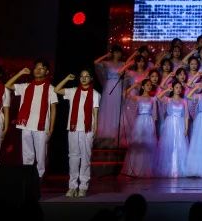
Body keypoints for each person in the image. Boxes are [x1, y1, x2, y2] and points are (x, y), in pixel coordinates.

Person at [8, 61, 58, 179]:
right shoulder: (26, 86)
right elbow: (8, 85)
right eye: (36, 68)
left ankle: (39, 179)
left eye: (42, 68)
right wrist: (20, 73)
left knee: (41, 156)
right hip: (26, 125)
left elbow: (53, 109)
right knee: (27, 155)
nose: (38, 70)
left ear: (47, 71)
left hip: (42, 126)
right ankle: (27, 178)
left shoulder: (51, 88)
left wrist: (51, 128)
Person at [56, 68, 101, 196]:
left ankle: (83, 186)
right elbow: (57, 89)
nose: (84, 78)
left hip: (87, 129)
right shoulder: (73, 91)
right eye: (82, 76)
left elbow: (95, 113)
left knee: (86, 158)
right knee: (73, 157)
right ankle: (72, 186)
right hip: (73, 128)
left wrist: (95, 128)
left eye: (87, 76)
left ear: (91, 78)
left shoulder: (95, 94)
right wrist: (66, 79)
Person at [94, 45, 129, 146]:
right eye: (116, 52)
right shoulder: (107, 63)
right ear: (112, 53)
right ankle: (105, 134)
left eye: (119, 52)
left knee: (117, 108)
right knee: (107, 108)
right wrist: (106, 55)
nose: (118, 54)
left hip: (118, 86)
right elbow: (95, 62)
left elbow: (126, 77)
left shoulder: (123, 64)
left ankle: (115, 134)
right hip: (109, 86)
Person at [154, 80, 190, 178]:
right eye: (176, 87)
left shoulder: (184, 101)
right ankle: (170, 169)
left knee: (180, 146)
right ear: (173, 88)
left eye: (180, 88)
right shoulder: (168, 100)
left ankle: (180, 169)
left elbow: (186, 116)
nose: (178, 89)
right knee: (169, 146)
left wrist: (186, 128)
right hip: (170, 124)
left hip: (180, 124)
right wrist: (166, 91)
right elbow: (158, 97)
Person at [122, 78, 157, 177]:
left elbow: (154, 115)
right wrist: (134, 85)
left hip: (149, 121)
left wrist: (154, 126)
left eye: (150, 85)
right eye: (147, 85)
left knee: (148, 144)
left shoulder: (152, 99)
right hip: (140, 121)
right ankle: (136, 168)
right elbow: (125, 94)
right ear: (143, 87)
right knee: (139, 143)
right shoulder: (138, 98)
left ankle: (147, 169)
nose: (149, 86)